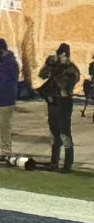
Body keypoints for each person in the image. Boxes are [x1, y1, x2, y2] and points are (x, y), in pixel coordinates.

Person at [38, 43, 80, 173]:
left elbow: (65, 85)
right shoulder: (55, 66)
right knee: (54, 133)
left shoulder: (72, 69)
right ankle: (54, 161)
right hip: (53, 102)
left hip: (64, 103)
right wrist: (49, 65)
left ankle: (68, 163)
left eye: (64, 55)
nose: (62, 58)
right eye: (60, 55)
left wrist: (56, 71)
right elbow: (42, 75)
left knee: (64, 133)